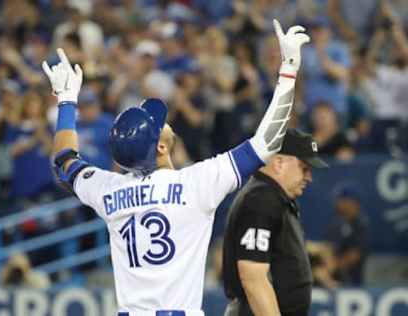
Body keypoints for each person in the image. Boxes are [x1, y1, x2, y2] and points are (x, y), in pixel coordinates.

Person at [43, 19, 310, 315]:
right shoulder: (196, 184)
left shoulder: (109, 190)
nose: (164, 122)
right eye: (159, 125)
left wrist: (66, 101)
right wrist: (288, 70)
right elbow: (267, 142)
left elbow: (64, 161)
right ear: (159, 147)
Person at [222, 129, 328, 316]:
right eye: (304, 168)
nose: (309, 177)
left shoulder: (275, 198)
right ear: (279, 163)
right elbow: (253, 277)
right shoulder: (260, 200)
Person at [326, 183, 369, 286]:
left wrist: (334, 265)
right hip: (333, 280)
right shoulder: (336, 223)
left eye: (342, 200)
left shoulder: (360, 224)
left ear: (352, 202)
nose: (338, 203)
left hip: (352, 282)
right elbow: (328, 247)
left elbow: (356, 254)